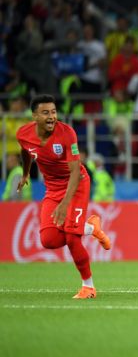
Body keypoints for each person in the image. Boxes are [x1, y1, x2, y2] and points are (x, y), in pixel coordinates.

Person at [15, 94, 111, 299]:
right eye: (45, 113)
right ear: (34, 116)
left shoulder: (67, 133)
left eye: (53, 112)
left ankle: (88, 287)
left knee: (71, 237)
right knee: (48, 240)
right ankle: (90, 228)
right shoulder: (23, 134)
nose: (51, 117)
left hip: (76, 185)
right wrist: (25, 173)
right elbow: (26, 151)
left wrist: (65, 204)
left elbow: (75, 172)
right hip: (52, 189)